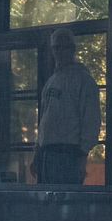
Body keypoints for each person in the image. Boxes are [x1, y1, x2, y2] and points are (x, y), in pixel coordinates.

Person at [35, 28, 101, 184]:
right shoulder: (52, 81)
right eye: (56, 48)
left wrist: (82, 154)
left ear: (72, 49)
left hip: (69, 152)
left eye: (64, 47)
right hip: (47, 152)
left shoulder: (84, 81)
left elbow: (91, 120)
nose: (60, 52)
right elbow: (44, 120)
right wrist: (37, 151)